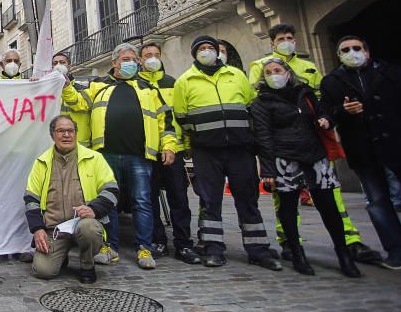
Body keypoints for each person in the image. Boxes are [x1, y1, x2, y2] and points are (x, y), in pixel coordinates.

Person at [247, 23, 380, 265]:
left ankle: (349, 240)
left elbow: (323, 102)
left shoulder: (308, 67)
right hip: (284, 147)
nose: (287, 41)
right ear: (272, 43)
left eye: (290, 37)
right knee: (285, 199)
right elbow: (259, 105)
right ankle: (289, 240)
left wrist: (327, 117)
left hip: (313, 141)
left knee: (331, 195)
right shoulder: (260, 67)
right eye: (281, 38)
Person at [172, 35, 281, 271]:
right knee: (210, 200)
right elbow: (180, 117)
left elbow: (252, 108)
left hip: (240, 149)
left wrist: (250, 139)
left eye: (210, 47)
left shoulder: (236, 75)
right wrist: (196, 140)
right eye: (201, 48)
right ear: (194, 54)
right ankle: (213, 248)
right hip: (206, 151)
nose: (207, 51)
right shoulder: (185, 81)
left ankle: (258, 250)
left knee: (248, 199)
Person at [251, 58, 361, 277]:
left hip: (314, 155)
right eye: (269, 72)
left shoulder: (305, 93)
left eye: (278, 70)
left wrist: (325, 119)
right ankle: (296, 251)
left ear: (288, 73)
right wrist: (268, 170)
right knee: (288, 207)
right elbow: (263, 137)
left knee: (328, 205)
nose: (274, 74)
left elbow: (323, 112)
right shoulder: (261, 103)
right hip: (285, 157)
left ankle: (343, 254)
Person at [321, 35, 401, 270]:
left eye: (357, 48)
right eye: (346, 49)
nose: (352, 52)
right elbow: (327, 114)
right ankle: (398, 253)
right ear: (338, 56)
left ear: (367, 51)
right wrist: (343, 111)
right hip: (365, 152)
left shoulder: (392, 74)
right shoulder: (332, 82)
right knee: (378, 203)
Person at [83, 43, 176, 270]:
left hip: (140, 156)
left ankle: (144, 247)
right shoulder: (98, 86)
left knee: (142, 202)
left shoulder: (148, 89)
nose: (130, 63)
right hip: (106, 156)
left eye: (133, 59)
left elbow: (166, 120)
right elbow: (78, 102)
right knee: (108, 203)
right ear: (114, 63)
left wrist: (169, 146)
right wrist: (63, 86)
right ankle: (109, 247)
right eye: (125, 59)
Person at [25, 115, 119, 283]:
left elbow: (111, 190)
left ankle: (87, 265)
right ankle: (61, 257)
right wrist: (37, 229)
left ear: (76, 133)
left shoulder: (94, 158)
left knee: (89, 229)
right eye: (61, 131)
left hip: (84, 223)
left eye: (70, 131)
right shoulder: (41, 162)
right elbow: (31, 199)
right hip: (54, 230)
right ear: (52, 135)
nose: (66, 135)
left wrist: (93, 209)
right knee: (43, 271)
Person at [140, 42, 202, 265]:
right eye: (148, 55)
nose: (153, 59)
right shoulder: (137, 85)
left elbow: (179, 115)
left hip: (172, 150)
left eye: (156, 55)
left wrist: (184, 144)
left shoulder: (172, 83)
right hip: (147, 151)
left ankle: (184, 243)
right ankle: (158, 241)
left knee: (179, 198)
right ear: (141, 60)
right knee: (150, 199)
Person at [0, 48, 32, 263]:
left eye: (16, 60)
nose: (12, 63)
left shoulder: (30, 86)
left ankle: (24, 244)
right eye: (9, 60)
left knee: (22, 201)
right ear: (1, 64)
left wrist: (38, 86)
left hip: (24, 153)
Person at [54, 52, 91, 146]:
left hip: (80, 146)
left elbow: (81, 106)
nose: (58, 65)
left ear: (69, 66)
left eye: (62, 62)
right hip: (56, 146)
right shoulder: (47, 90)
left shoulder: (84, 87)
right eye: (55, 63)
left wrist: (67, 87)